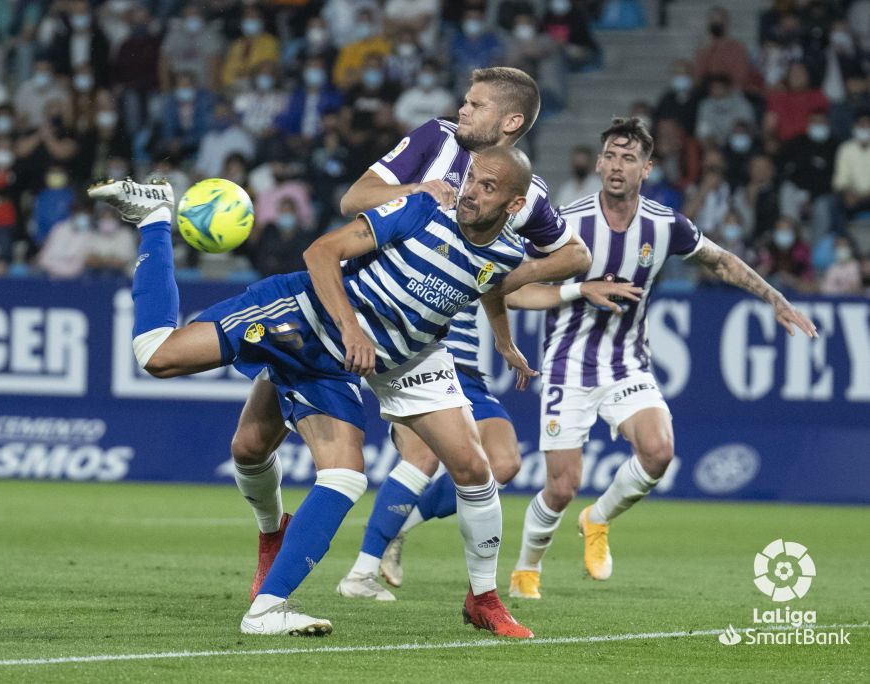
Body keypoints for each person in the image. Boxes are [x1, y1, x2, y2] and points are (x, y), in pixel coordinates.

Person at [88, 145, 539, 638]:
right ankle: (155, 216)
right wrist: (352, 329)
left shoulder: (507, 251)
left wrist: (504, 341)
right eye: (472, 178)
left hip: (364, 360)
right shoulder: (423, 209)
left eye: (487, 187)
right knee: (158, 356)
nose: (471, 191)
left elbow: (489, 284)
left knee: (357, 473)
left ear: (514, 206)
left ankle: (274, 609)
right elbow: (322, 251)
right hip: (304, 316)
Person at [502, 117, 816, 599]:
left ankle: (598, 519)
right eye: (609, 155)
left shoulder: (664, 224)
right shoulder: (566, 225)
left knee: (659, 450)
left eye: (628, 158)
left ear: (647, 169)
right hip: (569, 364)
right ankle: (527, 569)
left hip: (628, 362)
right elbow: (508, 290)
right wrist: (580, 288)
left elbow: (719, 260)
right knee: (562, 486)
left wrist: (774, 296)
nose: (615, 165)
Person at [330, 67, 590, 599]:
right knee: (424, 455)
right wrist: (419, 189)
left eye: (476, 104)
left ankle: (397, 528)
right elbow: (354, 198)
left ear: (511, 121)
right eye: (465, 101)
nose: (463, 110)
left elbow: (577, 254)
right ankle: (360, 571)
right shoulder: (435, 139)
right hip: (401, 333)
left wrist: (504, 285)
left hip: (463, 355)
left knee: (504, 464)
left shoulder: (525, 193)